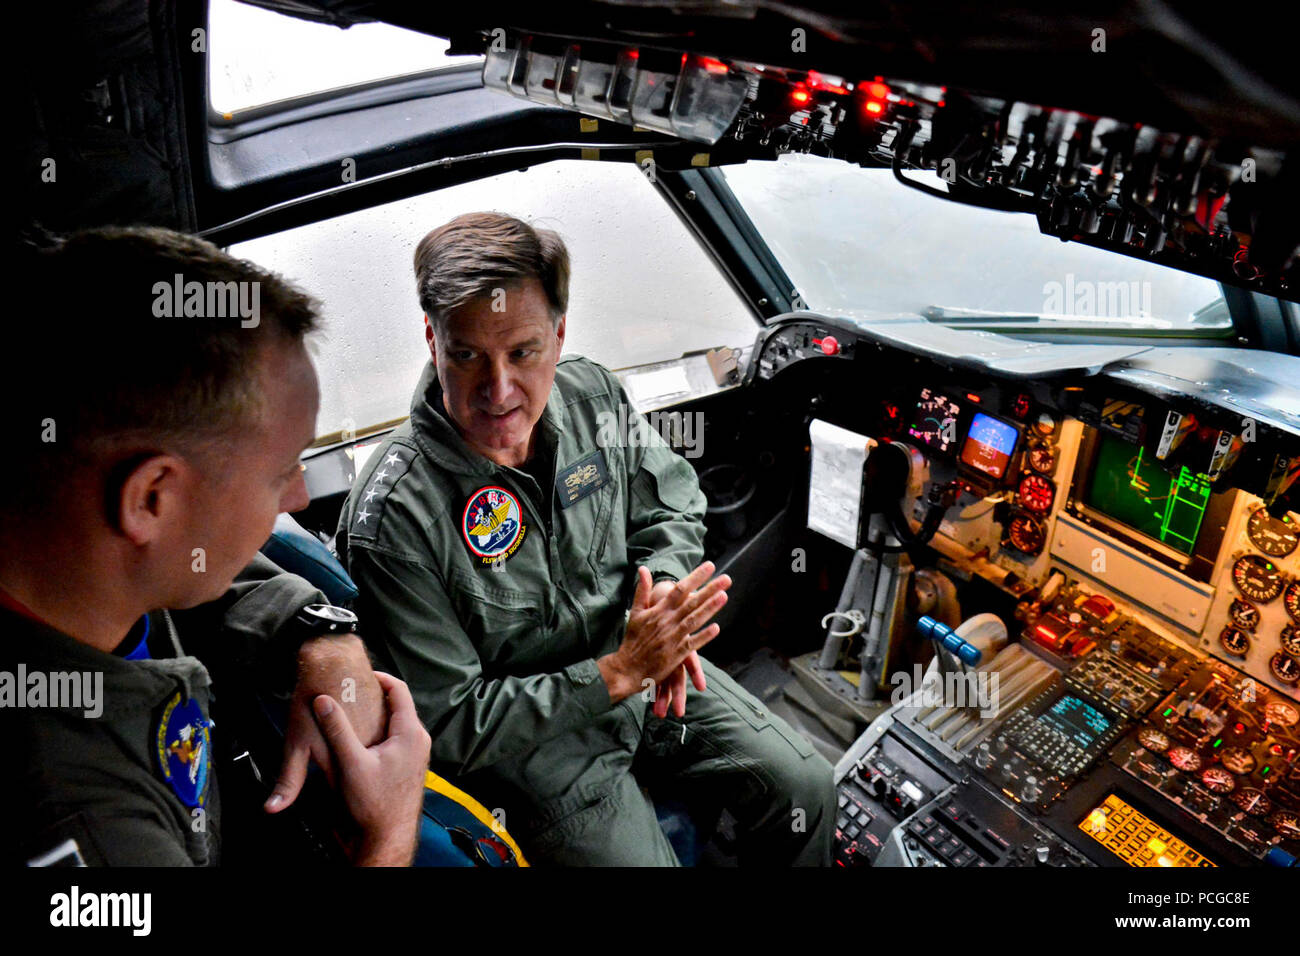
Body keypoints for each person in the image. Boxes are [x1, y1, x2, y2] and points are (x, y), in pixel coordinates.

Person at [337, 212, 834, 865]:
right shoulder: (396, 519)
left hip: (646, 671)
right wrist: (617, 674)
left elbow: (673, 504)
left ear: (559, 334)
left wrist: (655, 608)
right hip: (538, 757)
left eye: (523, 352)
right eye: (466, 355)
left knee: (807, 790)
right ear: (432, 339)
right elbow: (450, 724)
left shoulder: (592, 399)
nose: (498, 391)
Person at [0, 226, 430, 866]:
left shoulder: (86, 560)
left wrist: (322, 637)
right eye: (281, 470)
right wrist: (389, 834)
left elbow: (224, 575)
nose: (300, 499)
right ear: (151, 498)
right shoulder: (82, 825)